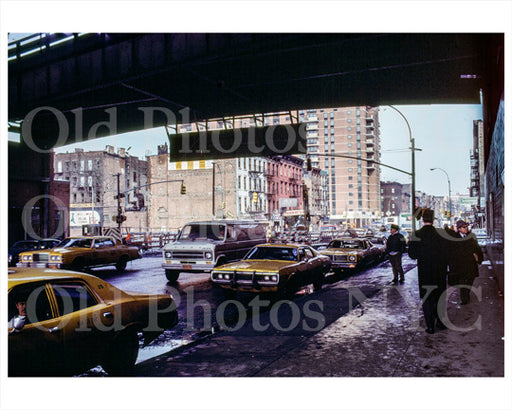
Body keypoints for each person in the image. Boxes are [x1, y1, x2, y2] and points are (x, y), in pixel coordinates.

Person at [408, 209, 450, 334]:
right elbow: (447, 253)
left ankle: (430, 327)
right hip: (439, 271)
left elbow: (412, 255)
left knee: (427, 299)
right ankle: (441, 323)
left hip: (425, 272)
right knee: (439, 297)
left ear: (422, 220)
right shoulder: (441, 234)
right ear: (433, 220)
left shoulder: (417, 234)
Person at [448, 220, 483, 305]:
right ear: (459, 229)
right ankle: (464, 299)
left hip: (471, 264)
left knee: (470, 281)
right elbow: (452, 252)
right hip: (460, 265)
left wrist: (478, 257)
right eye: (464, 227)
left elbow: (477, 248)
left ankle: (466, 294)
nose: (466, 228)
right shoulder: (455, 238)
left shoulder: (471, 236)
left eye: (466, 226)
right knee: (463, 282)